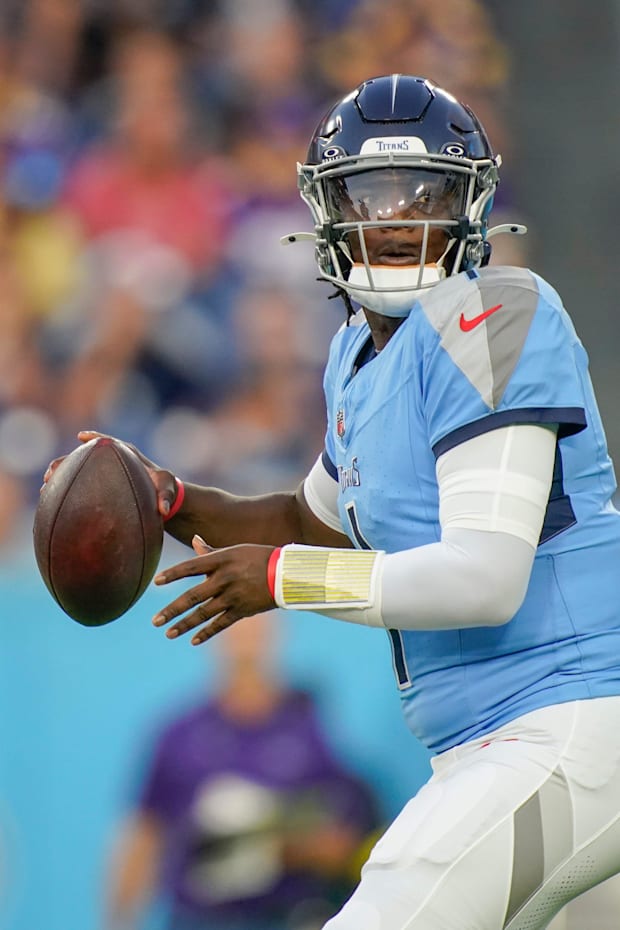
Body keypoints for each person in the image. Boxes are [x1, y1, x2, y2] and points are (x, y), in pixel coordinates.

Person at [46, 75, 620, 928]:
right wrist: (170, 500)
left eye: (425, 194)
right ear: (326, 210)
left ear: (475, 207)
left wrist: (281, 579)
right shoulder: (357, 353)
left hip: (567, 723)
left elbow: (486, 577)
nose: (397, 220)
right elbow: (309, 523)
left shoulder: (497, 312)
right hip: (497, 746)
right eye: (371, 195)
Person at [104, 611, 379, 930]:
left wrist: (288, 848)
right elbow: (144, 835)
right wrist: (118, 920)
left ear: (276, 633)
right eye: (234, 624)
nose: (245, 636)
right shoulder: (179, 736)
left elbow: (341, 837)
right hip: (198, 919)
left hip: (281, 915)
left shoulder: (308, 732)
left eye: (255, 623)